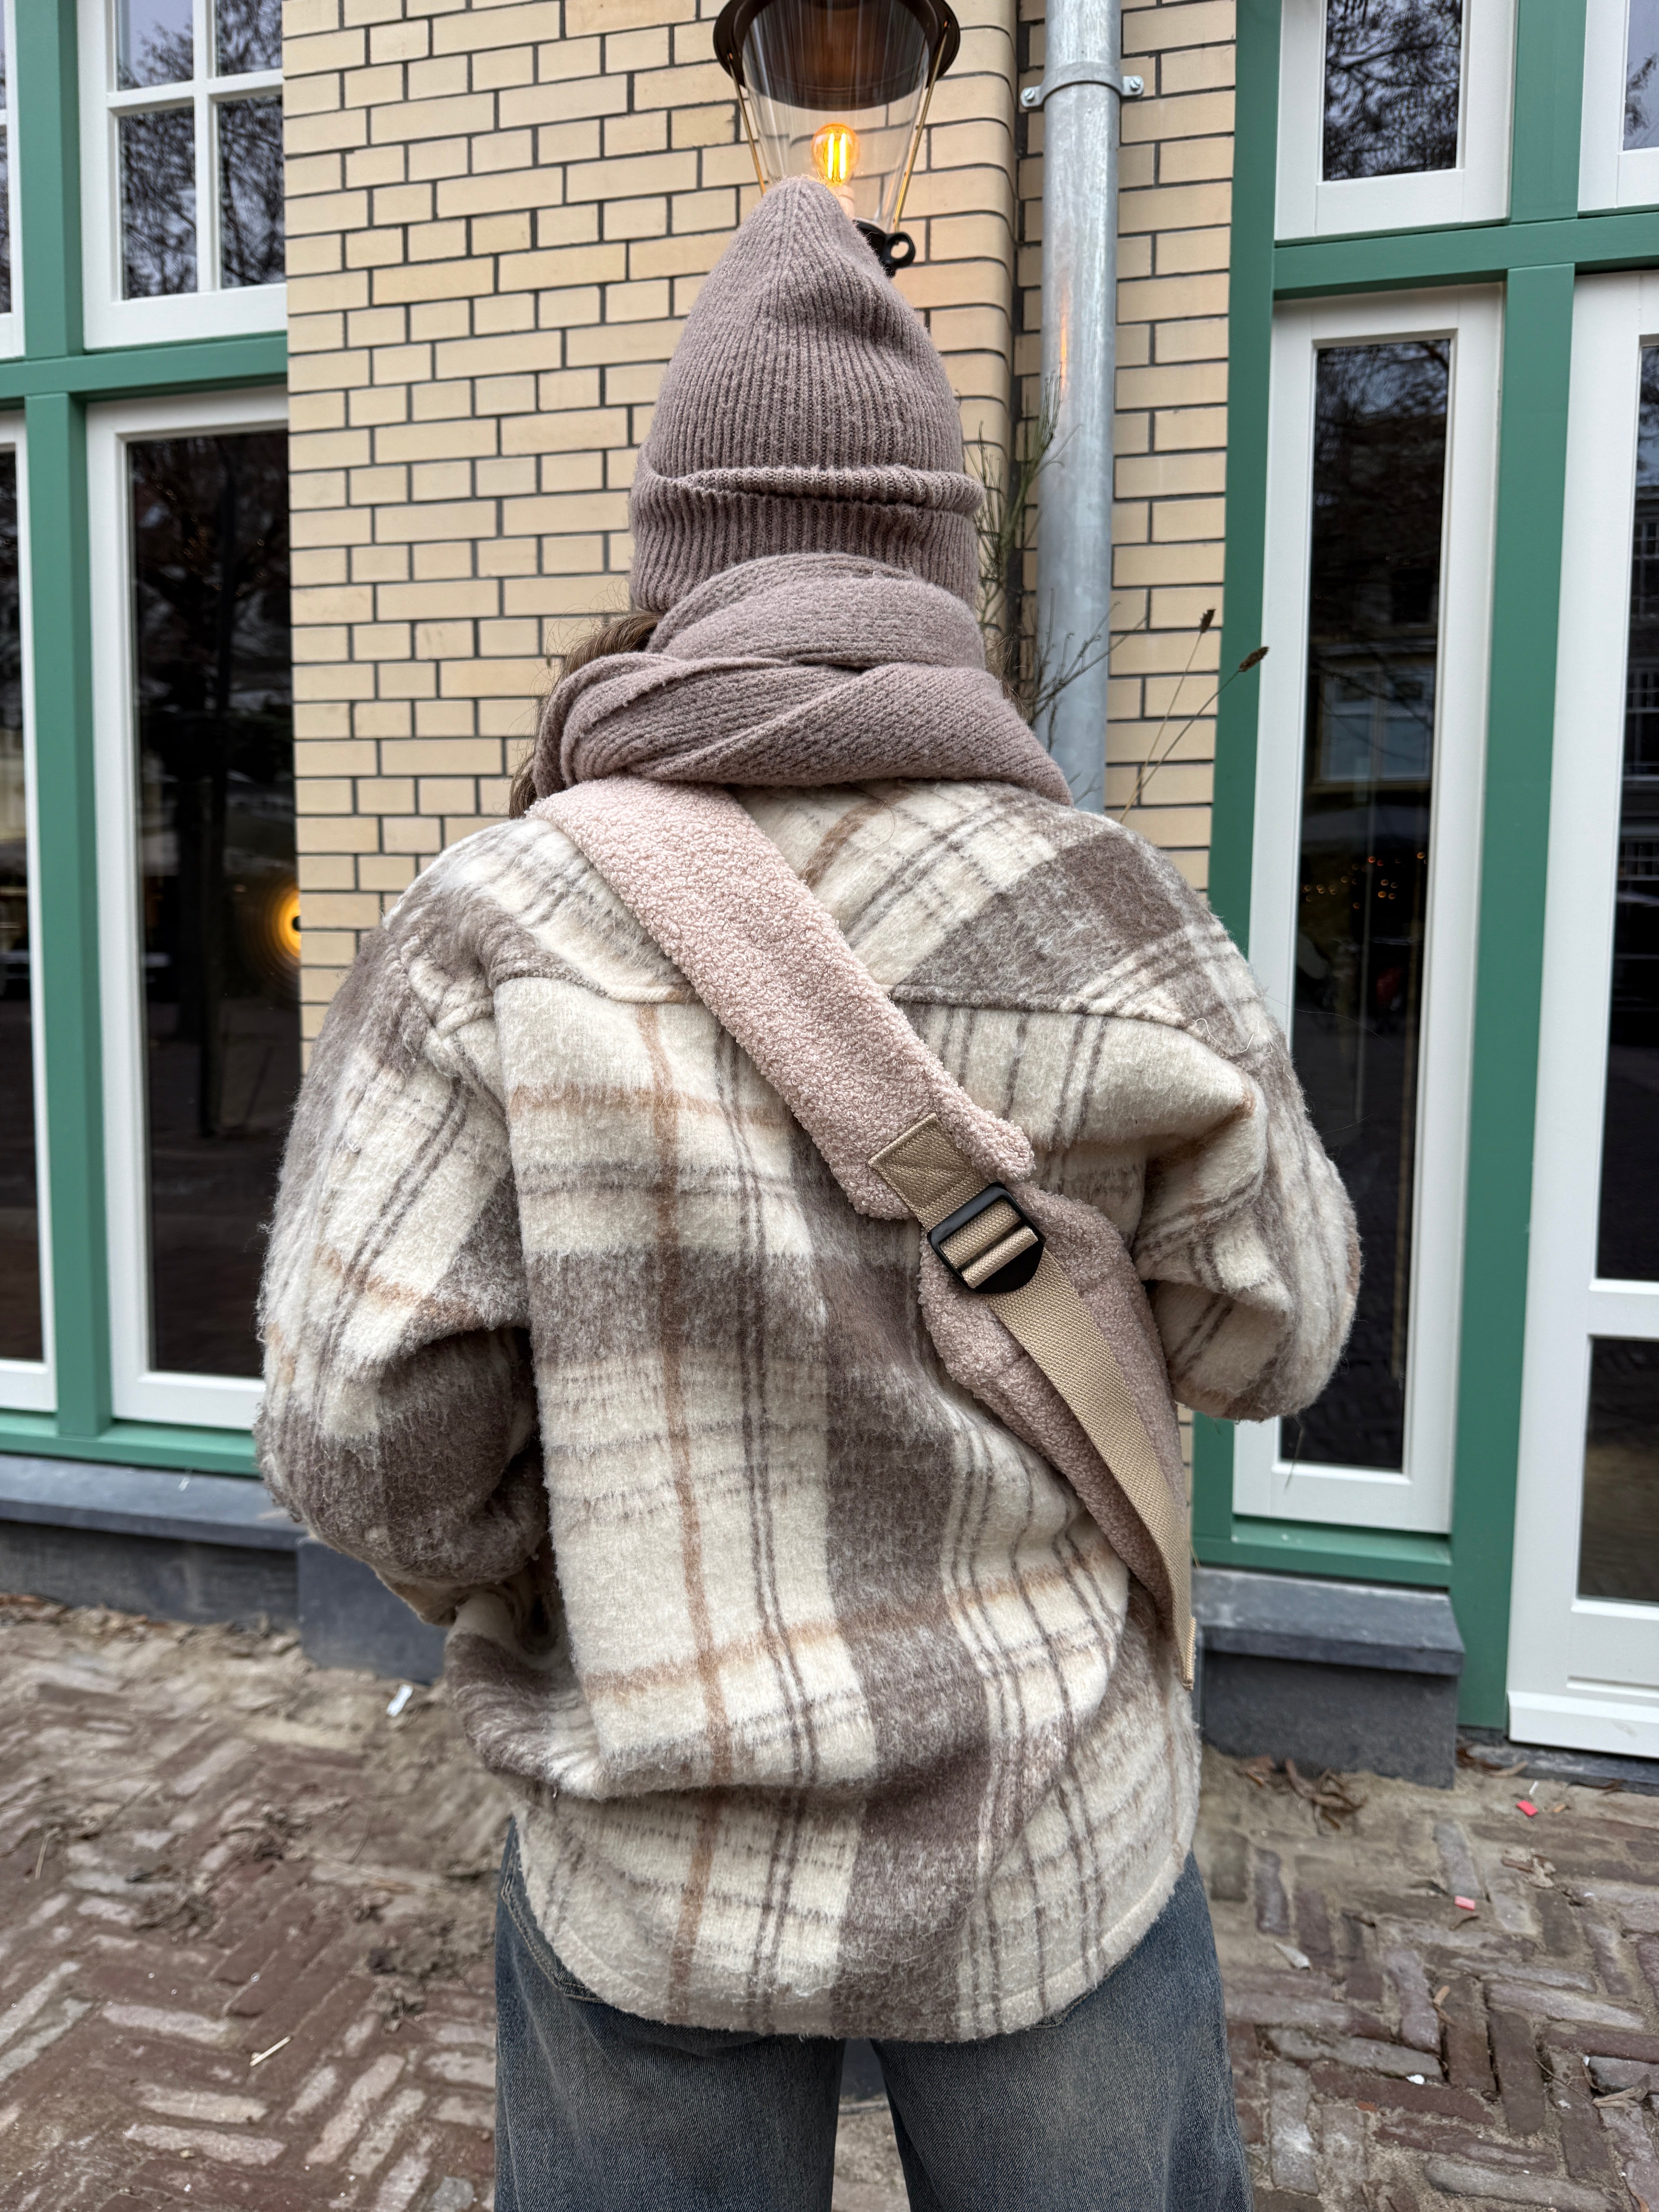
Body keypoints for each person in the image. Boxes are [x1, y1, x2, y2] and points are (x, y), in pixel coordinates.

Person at [258, 179, 1357, 2212]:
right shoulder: (1112, 912)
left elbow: (362, 1437)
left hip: (657, 1844)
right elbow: (1270, 1331)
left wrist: (588, 1570)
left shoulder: (501, 917)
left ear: (678, 555)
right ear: (937, 555)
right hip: (1049, 1833)